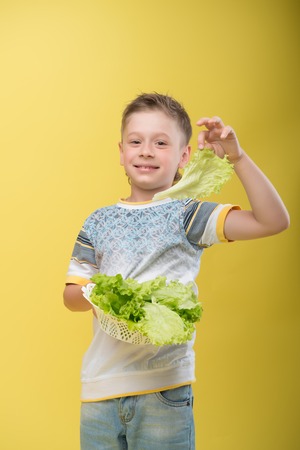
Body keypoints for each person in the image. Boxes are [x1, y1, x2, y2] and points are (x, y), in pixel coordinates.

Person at [63, 93, 289, 450]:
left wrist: (237, 156)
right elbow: (72, 297)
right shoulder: (98, 221)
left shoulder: (187, 215)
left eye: (161, 143)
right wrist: (105, 298)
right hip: (99, 390)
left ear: (184, 156)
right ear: (121, 152)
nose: (147, 151)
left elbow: (272, 221)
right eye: (136, 141)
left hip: (164, 391)